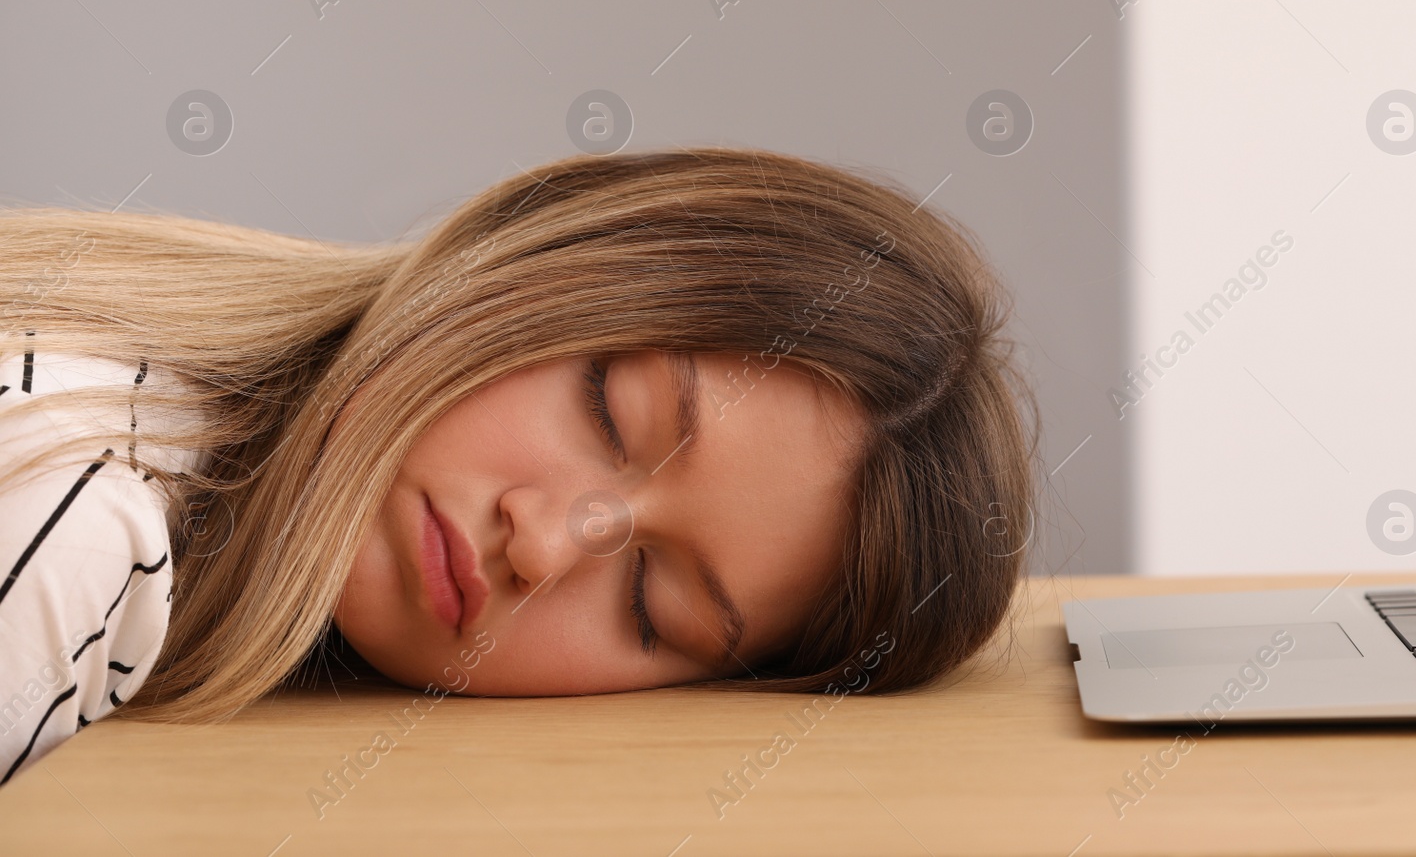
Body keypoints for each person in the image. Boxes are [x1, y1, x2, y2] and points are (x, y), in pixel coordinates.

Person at [0, 145, 1038, 783]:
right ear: (531, 251)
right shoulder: (79, 528)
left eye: (650, 606)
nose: (544, 541)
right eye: (607, 411)